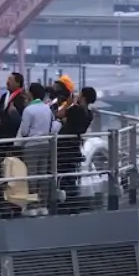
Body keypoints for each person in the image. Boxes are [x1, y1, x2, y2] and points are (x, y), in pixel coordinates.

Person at [56, 84, 97, 213]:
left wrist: (68, 103)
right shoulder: (89, 114)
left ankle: (63, 203)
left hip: (64, 146)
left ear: (83, 97)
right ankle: (72, 202)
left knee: (62, 175)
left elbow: (59, 114)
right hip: (75, 146)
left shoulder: (76, 110)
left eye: (80, 94)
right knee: (71, 175)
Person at [17, 82, 57, 187]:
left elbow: (24, 132)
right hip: (45, 144)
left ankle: (33, 200)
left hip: (31, 145)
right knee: (43, 175)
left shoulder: (28, 110)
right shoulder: (47, 108)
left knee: (31, 175)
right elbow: (51, 126)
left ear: (31, 94)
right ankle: (43, 201)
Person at [0, 72, 26, 159]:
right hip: (0, 136)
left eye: (10, 80)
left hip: (11, 137)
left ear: (18, 83)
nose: (7, 82)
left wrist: (2, 121)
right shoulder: (4, 96)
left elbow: (19, 118)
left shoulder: (22, 98)